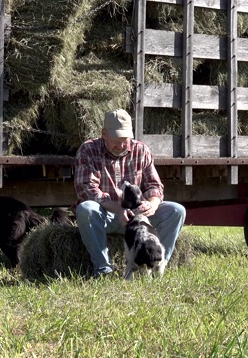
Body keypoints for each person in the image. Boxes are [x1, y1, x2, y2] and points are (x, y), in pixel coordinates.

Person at [74, 108, 186, 278]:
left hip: (139, 217)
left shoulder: (141, 150)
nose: (120, 145)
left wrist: (153, 204)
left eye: (125, 140)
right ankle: (104, 270)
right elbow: (87, 190)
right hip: (107, 215)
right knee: (86, 209)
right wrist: (118, 209)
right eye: (115, 141)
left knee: (176, 211)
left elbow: (154, 185)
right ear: (103, 134)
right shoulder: (88, 150)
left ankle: (158, 267)